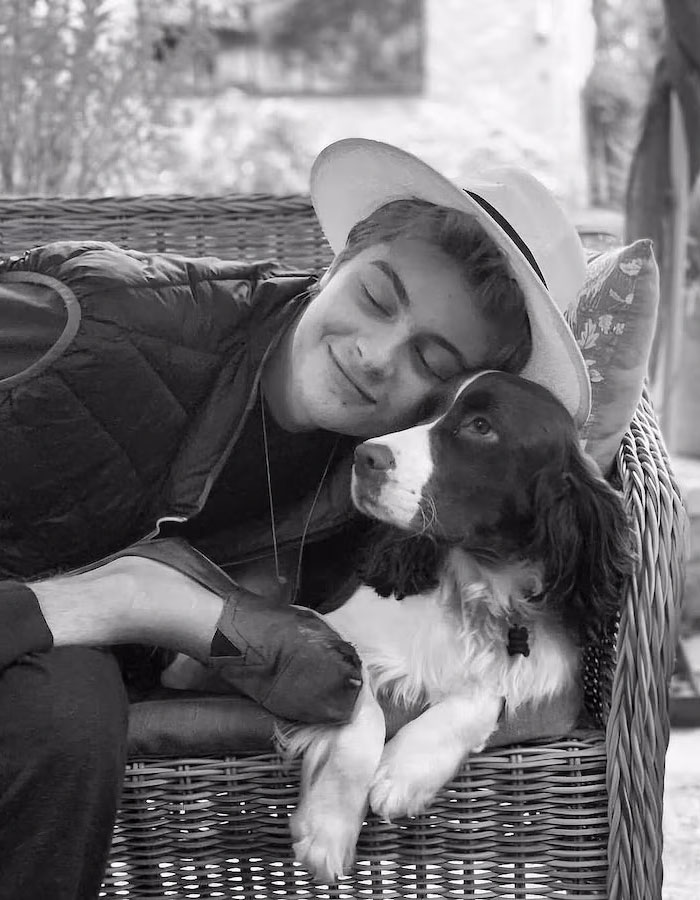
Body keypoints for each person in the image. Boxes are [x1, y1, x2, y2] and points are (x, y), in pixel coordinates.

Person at [0, 138, 591, 899]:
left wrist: (472, 709)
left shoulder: (385, 490)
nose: (377, 357)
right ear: (337, 259)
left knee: (68, 717)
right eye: (376, 298)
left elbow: (504, 627)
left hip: (64, 665)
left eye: (431, 364)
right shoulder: (95, 321)